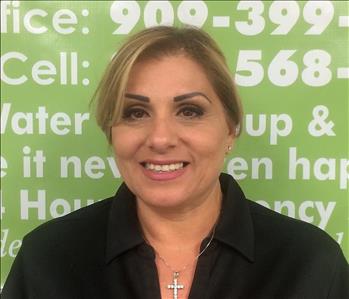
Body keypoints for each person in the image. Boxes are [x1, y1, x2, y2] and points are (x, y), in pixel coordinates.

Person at [2, 26, 348, 299]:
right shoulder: (48, 261)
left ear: (230, 130)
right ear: (111, 133)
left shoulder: (310, 264)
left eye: (189, 111)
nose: (160, 137)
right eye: (135, 112)